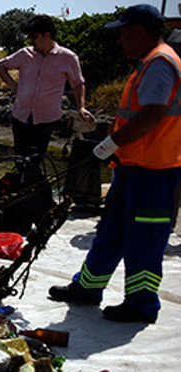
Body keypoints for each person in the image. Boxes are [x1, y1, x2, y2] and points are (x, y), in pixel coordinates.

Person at [48, 5, 181, 324]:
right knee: (112, 228)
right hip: (134, 165)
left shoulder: (160, 62)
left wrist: (112, 144)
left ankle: (141, 304)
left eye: (123, 33)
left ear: (139, 31)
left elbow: (151, 114)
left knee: (145, 237)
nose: (119, 40)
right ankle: (88, 288)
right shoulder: (148, 62)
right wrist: (116, 144)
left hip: (155, 169)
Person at [0, 14, 96, 158]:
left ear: (46, 35)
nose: (31, 40)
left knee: (35, 162)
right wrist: (14, 87)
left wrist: (81, 107)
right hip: (20, 116)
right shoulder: (25, 54)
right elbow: (0, 66)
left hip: (45, 120)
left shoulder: (68, 58)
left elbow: (78, 83)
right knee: (20, 160)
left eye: (34, 36)